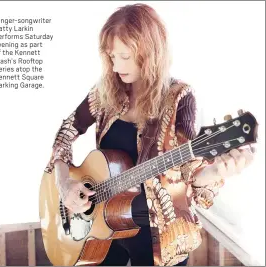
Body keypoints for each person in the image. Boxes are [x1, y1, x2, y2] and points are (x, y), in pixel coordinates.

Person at [45, 3, 254, 266]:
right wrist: (64, 184)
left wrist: (219, 172)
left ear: (149, 52)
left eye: (124, 56)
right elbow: (65, 134)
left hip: (160, 233)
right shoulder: (105, 92)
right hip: (102, 227)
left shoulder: (178, 97)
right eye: (111, 56)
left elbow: (188, 172)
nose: (115, 65)